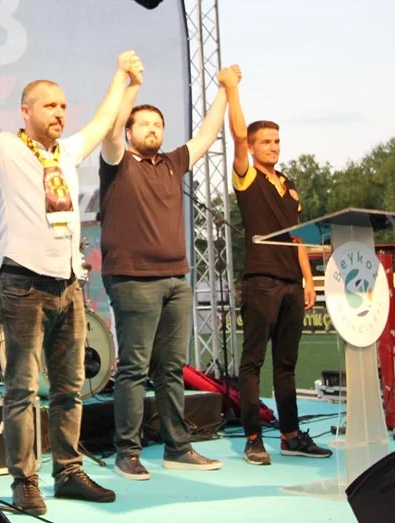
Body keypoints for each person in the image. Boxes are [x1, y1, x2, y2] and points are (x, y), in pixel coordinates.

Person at [0, 21, 143, 515]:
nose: (59, 113)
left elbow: (102, 120)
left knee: (70, 389)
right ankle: (24, 481)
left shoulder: (67, 152)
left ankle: (68, 471)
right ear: (25, 111)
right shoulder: (4, 148)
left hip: (68, 285)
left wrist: (121, 77)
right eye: (50, 105)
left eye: (63, 106)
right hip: (22, 285)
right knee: (22, 389)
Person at [98, 65, 241, 480]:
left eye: (158, 124)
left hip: (177, 279)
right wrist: (133, 85)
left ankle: (178, 447)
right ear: (129, 131)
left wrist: (225, 89)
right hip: (132, 278)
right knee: (134, 368)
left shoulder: (172, 163)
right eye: (143, 123)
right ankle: (127, 452)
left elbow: (207, 135)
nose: (152, 129)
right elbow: (109, 131)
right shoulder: (117, 161)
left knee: (172, 369)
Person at [226, 78, 332, 465]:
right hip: (261, 281)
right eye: (266, 141)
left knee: (287, 365)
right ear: (253, 147)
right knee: (253, 362)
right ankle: (253, 438)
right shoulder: (247, 176)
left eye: (277, 141)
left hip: (292, 284)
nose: (274, 146)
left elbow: (298, 237)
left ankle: (290, 435)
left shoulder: (289, 184)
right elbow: (238, 135)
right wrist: (232, 89)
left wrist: (309, 279)